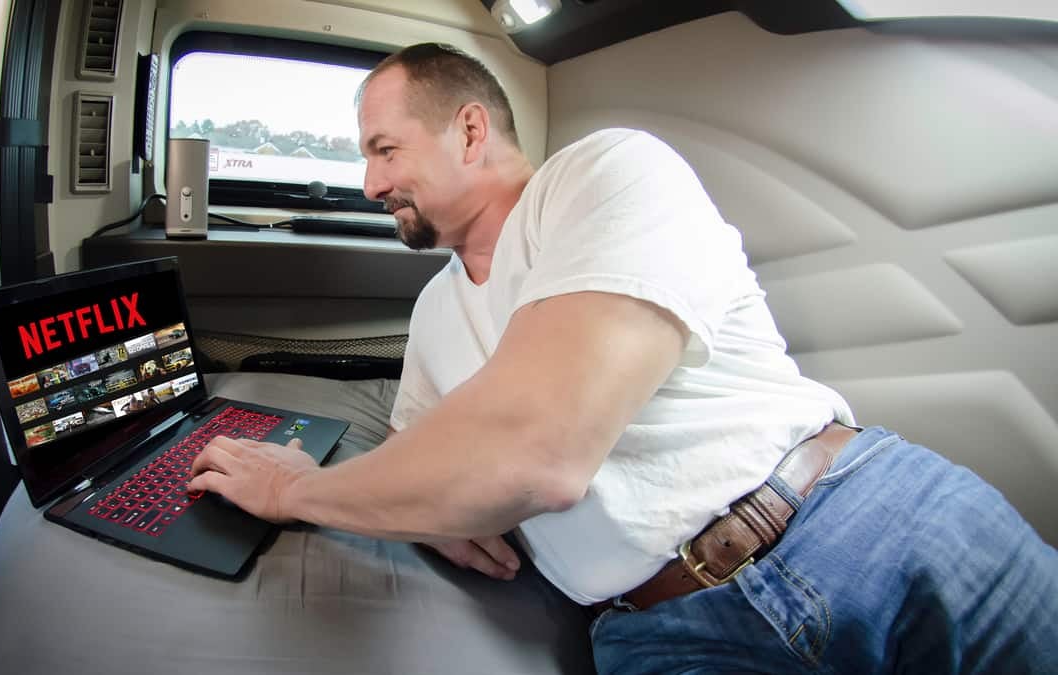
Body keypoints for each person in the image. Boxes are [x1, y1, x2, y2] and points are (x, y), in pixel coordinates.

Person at [188, 43, 1058, 672]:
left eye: (384, 149)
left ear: (468, 129)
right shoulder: (431, 315)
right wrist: (436, 503)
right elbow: (437, 483)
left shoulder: (605, 173)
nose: (371, 185)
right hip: (664, 634)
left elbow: (535, 455)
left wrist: (293, 489)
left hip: (863, 523)